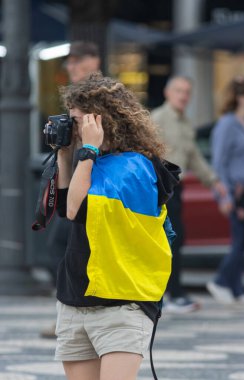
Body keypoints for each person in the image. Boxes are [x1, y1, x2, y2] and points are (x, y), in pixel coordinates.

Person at [53, 71, 180, 380]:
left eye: (80, 122)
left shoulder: (134, 167)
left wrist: (88, 153)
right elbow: (62, 205)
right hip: (76, 300)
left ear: (103, 121)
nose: (76, 129)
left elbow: (77, 209)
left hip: (122, 304)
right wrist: (64, 152)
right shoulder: (91, 161)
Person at [151, 75, 227, 314]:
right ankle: (171, 293)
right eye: (179, 91)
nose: (184, 96)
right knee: (169, 241)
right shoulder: (158, 119)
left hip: (176, 188)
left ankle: (174, 292)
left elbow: (194, 156)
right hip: (161, 188)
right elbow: (146, 154)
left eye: (187, 92)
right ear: (167, 93)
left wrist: (214, 181)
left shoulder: (184, 122)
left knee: (176, 239)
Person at [41, 41, 101, 338]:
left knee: (67, 247)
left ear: (94, 60)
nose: (72, 67)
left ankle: (79, 310)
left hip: (95, 177)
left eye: (78, 61)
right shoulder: (74, 96)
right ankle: (72, 309)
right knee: (61, 247)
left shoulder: (103, 93)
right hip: (76, 172)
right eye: (70, 63)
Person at [207, 77, 244, 305]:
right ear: (241, 97)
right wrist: (223, 194)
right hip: (235, 192)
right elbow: (219, 162)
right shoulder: (226, 124)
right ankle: (221, 281)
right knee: (240, 239)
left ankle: (236, 290)